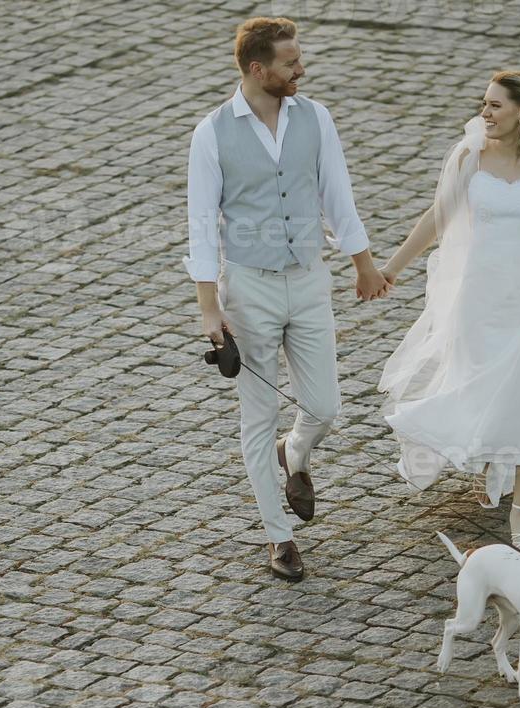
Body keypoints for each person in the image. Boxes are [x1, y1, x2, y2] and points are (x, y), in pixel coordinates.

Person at [185, 17, 390, 582]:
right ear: (258, 69)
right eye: (291, 62)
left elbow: (337, 195)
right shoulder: (212, 133)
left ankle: (294, 454)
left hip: (307, 279)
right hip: (247, 287)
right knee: (259, 414)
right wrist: (209, 307)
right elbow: (202, 225)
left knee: (325, 407)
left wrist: (363, 263)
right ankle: (279, 535)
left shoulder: (315, 117)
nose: (302, 68)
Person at [376, 69, 520, 555]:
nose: (485, 113)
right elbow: (438, 215)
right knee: (481, 384)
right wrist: (390, 268)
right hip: (480, 295)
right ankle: (489, 457)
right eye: (485, 103)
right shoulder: (470, 155)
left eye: (495, 105)